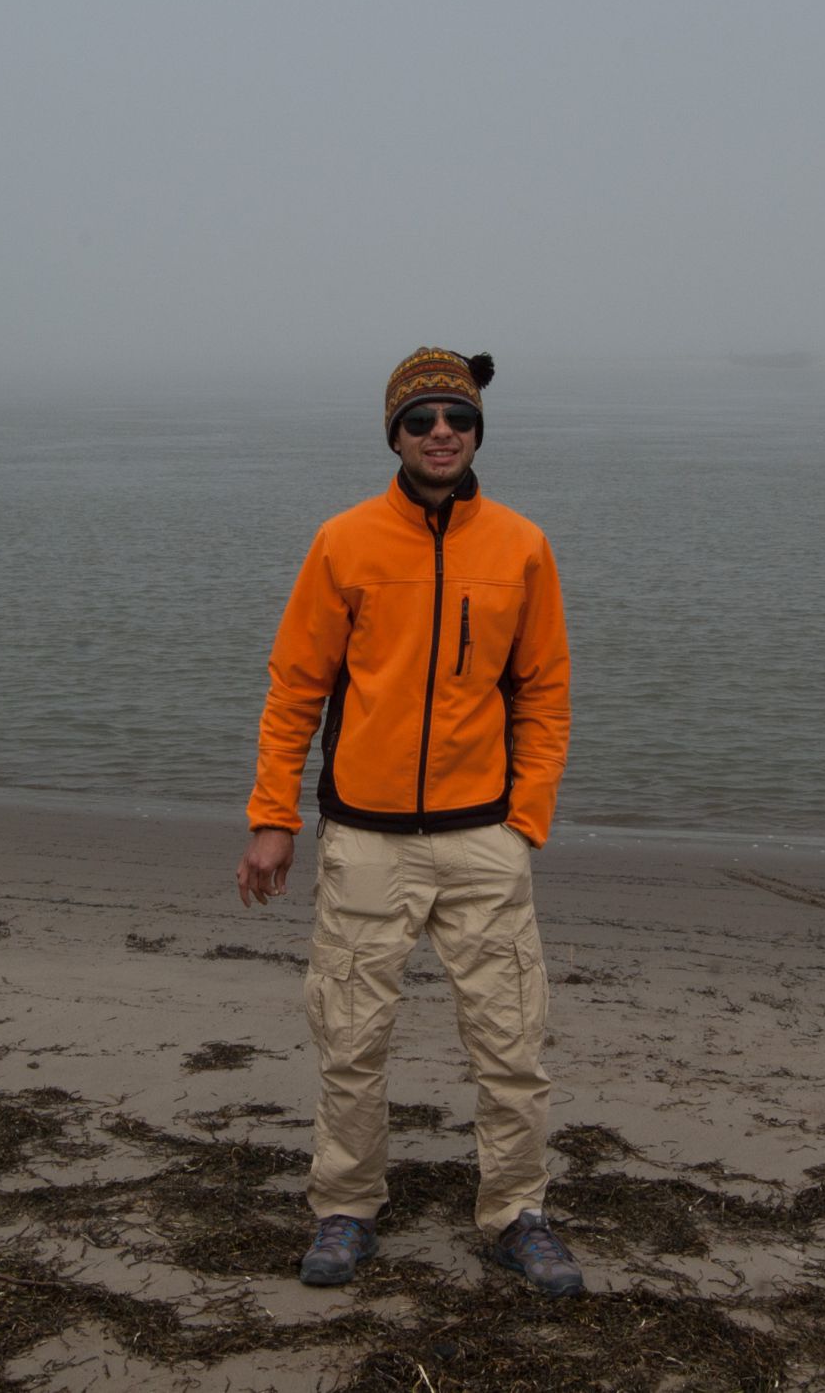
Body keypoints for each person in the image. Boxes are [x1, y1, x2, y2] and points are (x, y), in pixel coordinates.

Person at [235, 346, 581, 1297]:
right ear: (393, 433)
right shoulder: (344, 542)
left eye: (457, 419)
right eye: (421, 419)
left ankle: (515, 1214)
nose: (440, 434)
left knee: (511, 1043)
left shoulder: (520, 545)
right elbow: (294, 689)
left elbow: (544, 692)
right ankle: (345, 1208)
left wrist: (525, 818)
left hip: (483, 839)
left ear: (477, 432)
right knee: (351, 1038)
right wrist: (273, 817)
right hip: (366, 840)